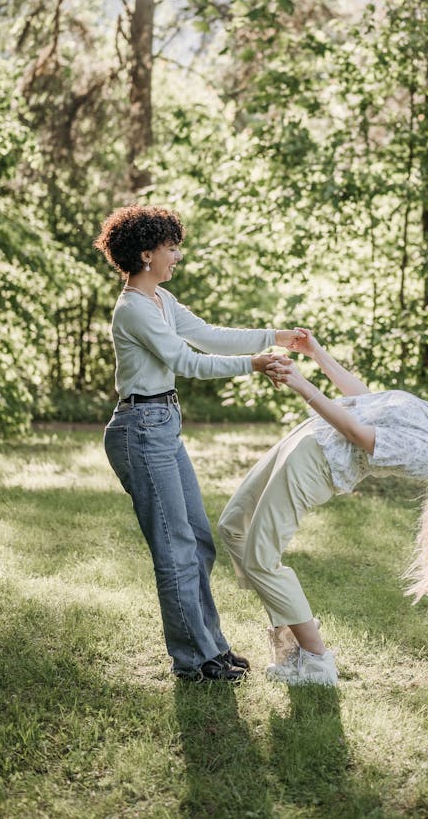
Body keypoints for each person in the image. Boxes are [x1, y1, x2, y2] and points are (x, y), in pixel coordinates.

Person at [218, 329, 428, 687]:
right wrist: (316, 353)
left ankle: (316, 661)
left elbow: (360, 435)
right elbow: (368, 401)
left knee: (260, 559)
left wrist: (301, 384)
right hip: (309, 437)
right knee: (233, 527)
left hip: (316, 461)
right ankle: (293, 647)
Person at [94, 204, 300, 684]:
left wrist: (276, 337)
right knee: (175, 550)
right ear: (146, 254)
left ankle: (212, 648)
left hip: (162, 423)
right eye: (171, 248)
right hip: (141, 429)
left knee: (198, 542)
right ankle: (194, 661)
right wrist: (254, 364)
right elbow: (186, 361)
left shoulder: (162, 301)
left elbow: (209, 337)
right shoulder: (132, 310)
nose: (177, 257)